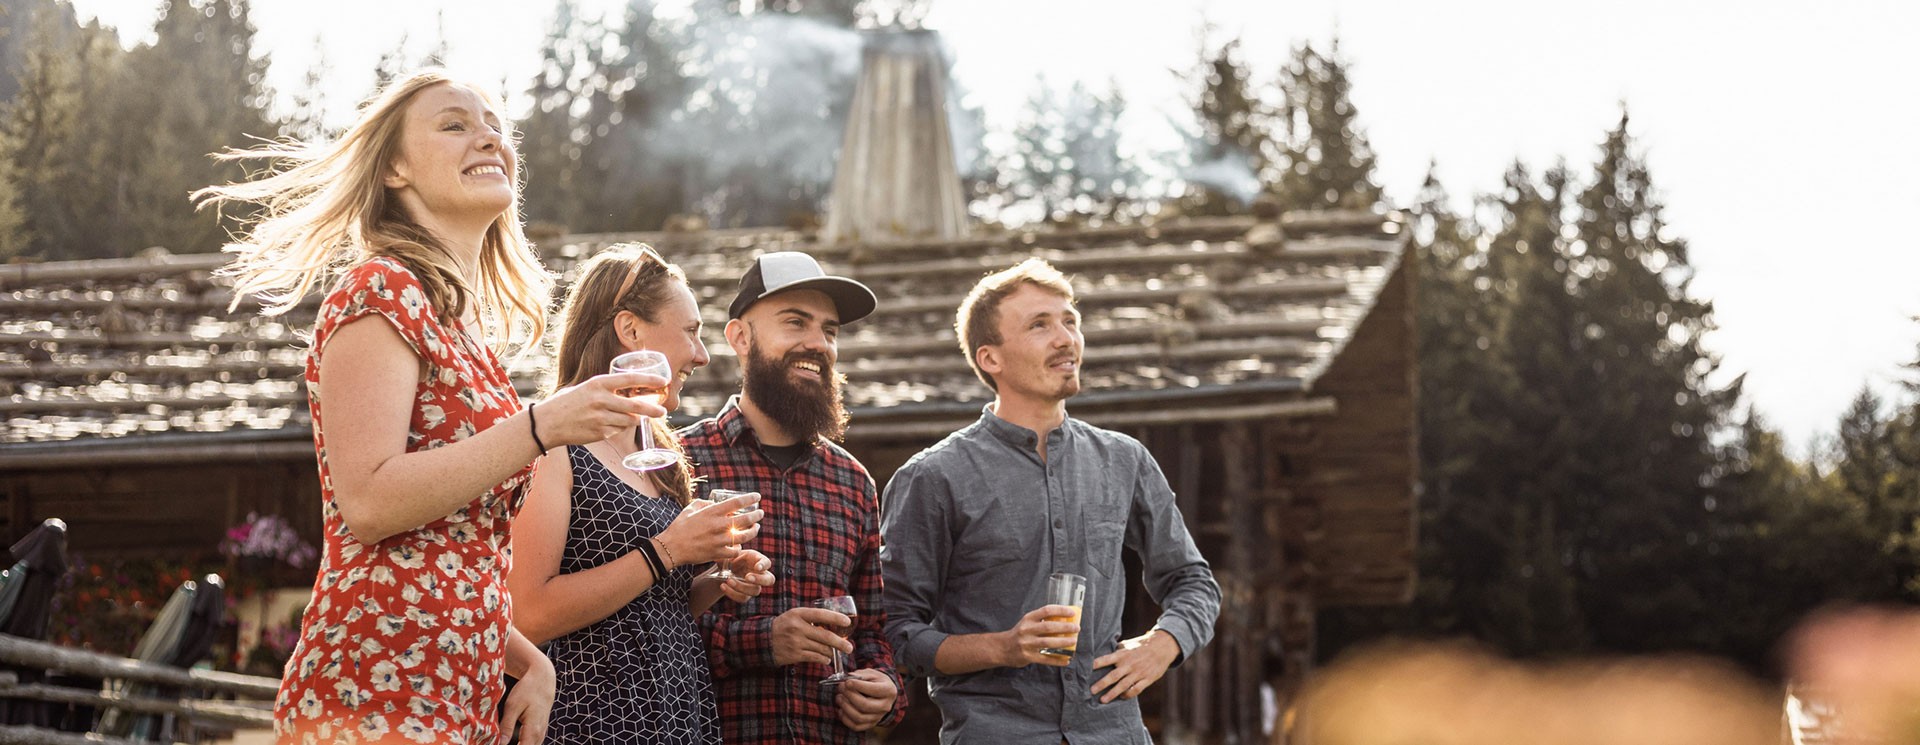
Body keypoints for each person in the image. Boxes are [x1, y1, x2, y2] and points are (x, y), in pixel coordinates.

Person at [196, 70, 667, 744]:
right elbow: (370, 502)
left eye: (497, 128)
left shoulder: (463, 328)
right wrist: (540, 427)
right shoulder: (380, 288)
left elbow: (448, 553)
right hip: (373, 689)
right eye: (455, 124)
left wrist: (528, 659)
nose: (489, 138)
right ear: (394, 167)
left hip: (458, 700)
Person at [879, 258, 1222, 744]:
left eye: (1070, 321)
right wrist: (1003, 647)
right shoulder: (933, 477)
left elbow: (1192, 580)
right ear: (990, 359)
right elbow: (893, 632)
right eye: (1040, 325)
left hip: (1114, 734)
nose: (1066, 338)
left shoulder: (1125, 460)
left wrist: (1163, 643)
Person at [507, 245, 777, 744]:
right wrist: (670, 549)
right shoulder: (554, 445)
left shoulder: (660, 452)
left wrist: (715, 576)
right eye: (692, 332)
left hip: (676, 711)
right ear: (630, 331)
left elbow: (650, 605)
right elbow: (529, 612)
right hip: (592, 717)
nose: (702, 354)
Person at [679, 251, 907, 743]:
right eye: (794, 322)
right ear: (740, 337)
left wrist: (885, 687)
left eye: (829, 330)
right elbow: (640, 624)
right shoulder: (678, 462)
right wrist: (763, 641)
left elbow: (872, 630)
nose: (817, 343)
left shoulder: (853, 482)